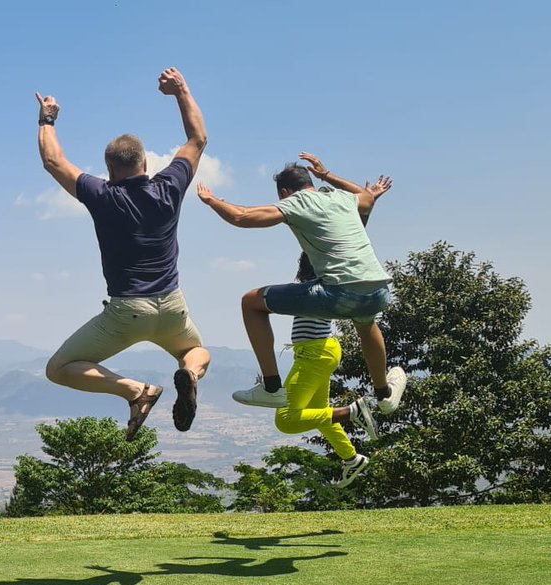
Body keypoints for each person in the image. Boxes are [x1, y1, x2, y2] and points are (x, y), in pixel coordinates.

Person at [34, 68, 211, 440]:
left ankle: (134, 391)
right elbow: (197, 139)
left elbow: (53, 161)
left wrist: (47, 117)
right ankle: (189, 376)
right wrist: (181, 89)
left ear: (110, 170)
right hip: (172, 306)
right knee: (196, 352)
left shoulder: (104, 196)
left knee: (59, 368)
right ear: (145, 165)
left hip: (126, 312)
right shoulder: (169, 187)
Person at [196, 153, 406, 416]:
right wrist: (327, 175)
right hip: (378, 291)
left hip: (337, 292)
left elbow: (241, 216)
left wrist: (211, 201)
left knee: (251, 302)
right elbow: (367, 197)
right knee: (365, 322)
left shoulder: (297, 202)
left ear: (285, 192)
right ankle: (383, 394)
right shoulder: (342, 198)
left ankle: (271, 388)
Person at [276, 252, 378, 488]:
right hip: (322, 351)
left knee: (286, 420)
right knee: (319, 412)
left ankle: (352, 411)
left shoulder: (310, 287)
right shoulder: (326, 286)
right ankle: (351, 458)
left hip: (313, 354)